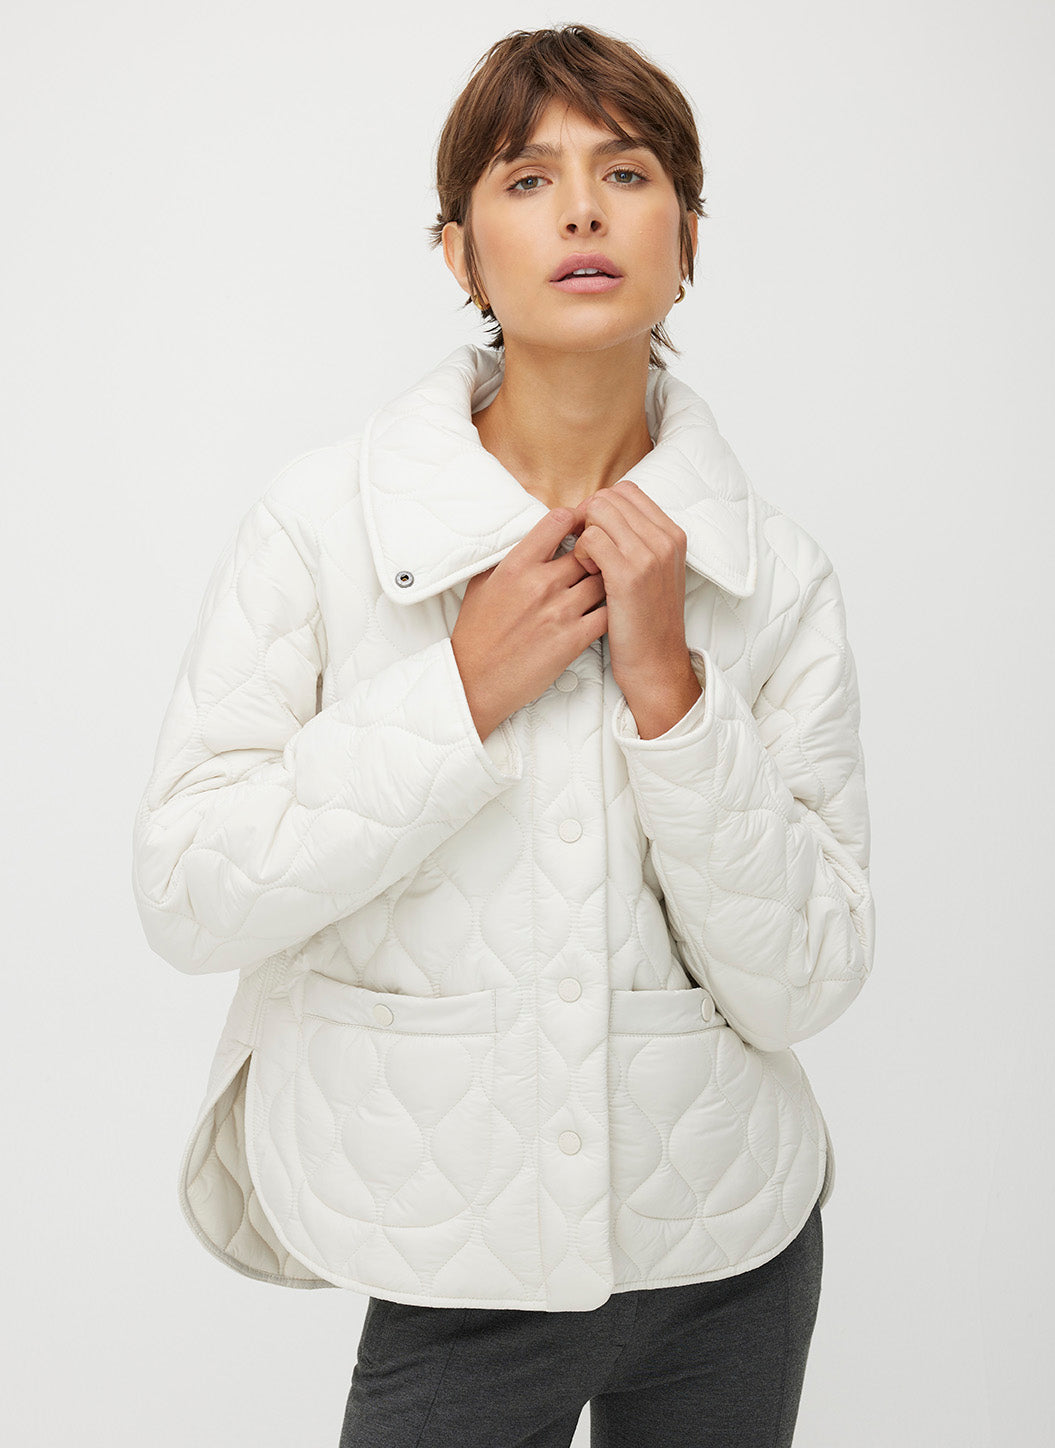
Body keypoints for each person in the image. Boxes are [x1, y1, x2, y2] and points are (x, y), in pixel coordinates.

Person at [131, 22, 876, 1448]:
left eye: (629, 172)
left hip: (735, 1251)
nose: (583, 209)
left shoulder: (775, 576)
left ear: (689, 238)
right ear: (460, 251)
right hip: (448, 1266)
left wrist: (672, 695)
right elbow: (190, 888)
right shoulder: (323, 526)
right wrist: (459, 692)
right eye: (528, 179)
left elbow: (806, 982)